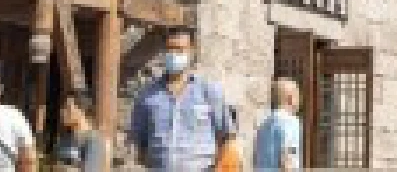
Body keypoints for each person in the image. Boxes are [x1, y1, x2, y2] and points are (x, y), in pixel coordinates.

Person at [130, 28, 236, 172]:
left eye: (179, 50)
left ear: (192, 52)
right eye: (170, 49)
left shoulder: (209, 92)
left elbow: (227, 137)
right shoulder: (147, 96)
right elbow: (140, 143)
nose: (173, 55)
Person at [250, 79, 302, 172]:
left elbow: (255, 158)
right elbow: (288, 159)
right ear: (290, 98)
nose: (300, 100)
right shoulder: (290, 122)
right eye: (298, 96)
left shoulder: (264, 124)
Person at [53, 92, 108, 172]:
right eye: (62, 108)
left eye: (68, 108)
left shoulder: (94, 141)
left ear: (82, 111)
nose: (63, 113)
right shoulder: (63, 141)